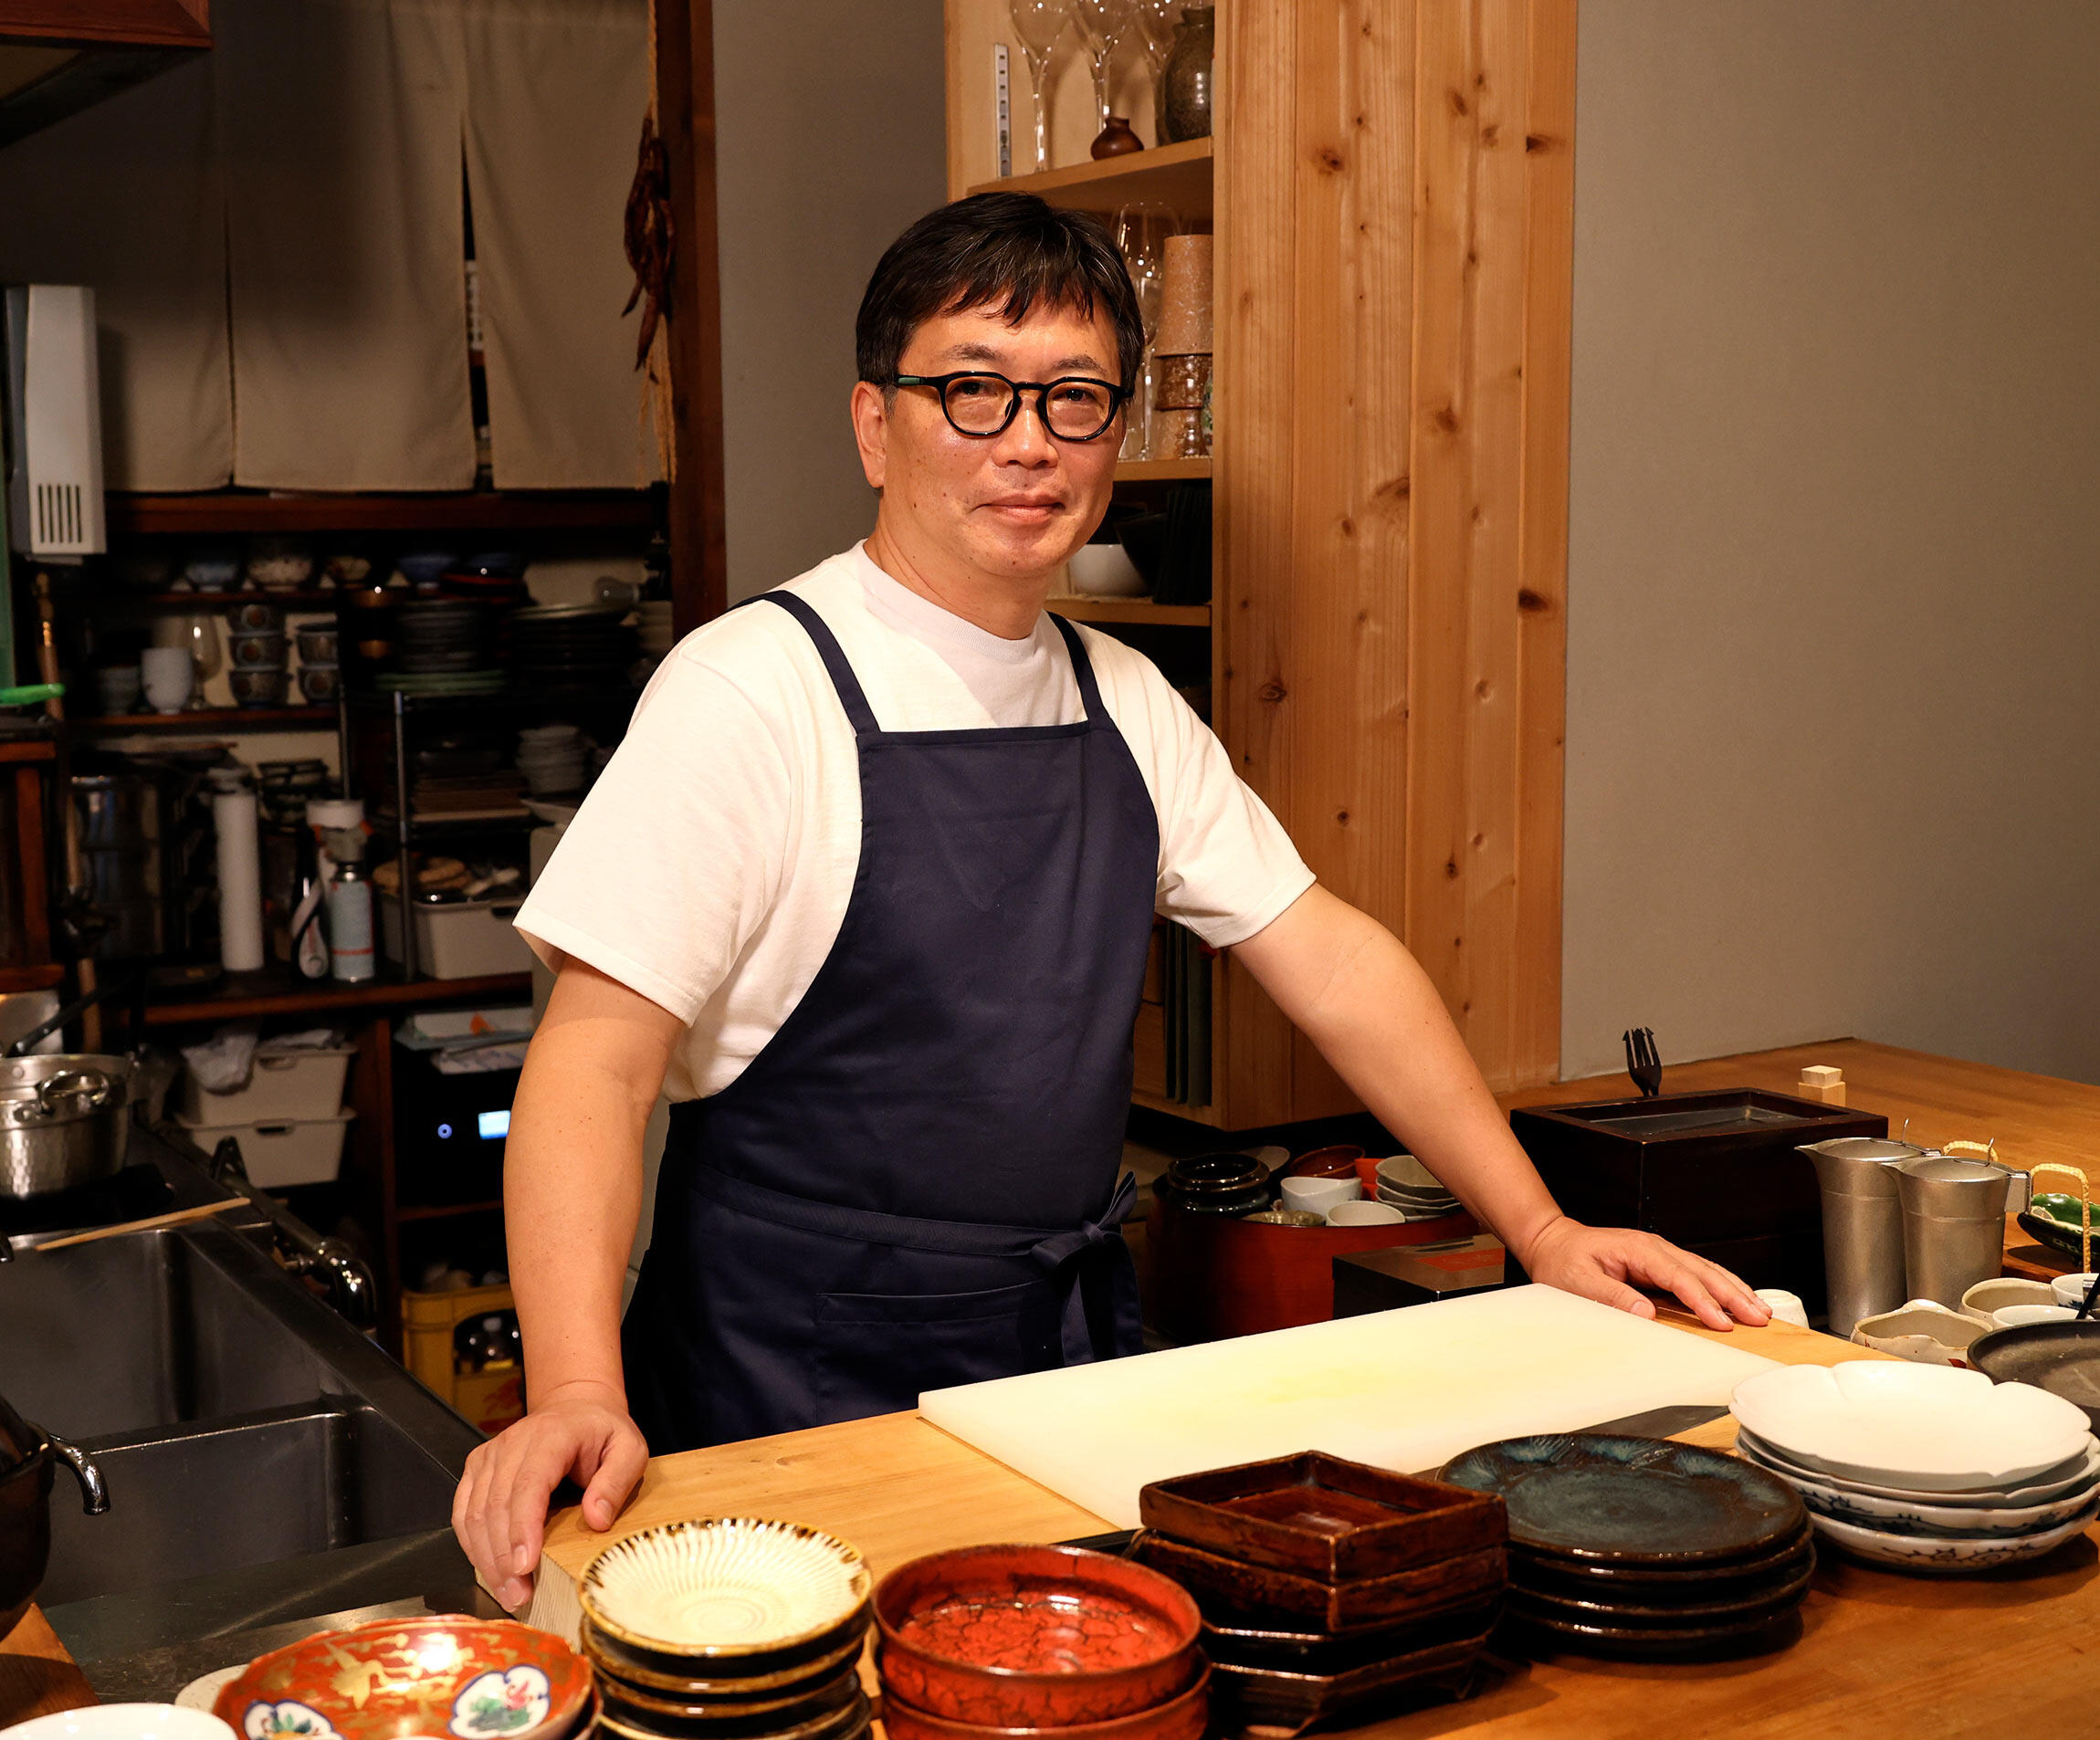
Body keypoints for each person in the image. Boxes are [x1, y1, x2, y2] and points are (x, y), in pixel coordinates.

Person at [450, 192, 1769, 1609]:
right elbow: (593, 1062)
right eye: (974, 390)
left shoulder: (1122, 697)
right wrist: (573, 1384)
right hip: (790, 1384)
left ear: (1116, 438)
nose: (1029, 440)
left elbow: (1329, 958)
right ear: (873, 424)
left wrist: (1543, 1227)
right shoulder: (748, 693)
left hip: (1055, 1379)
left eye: (1075, 398)